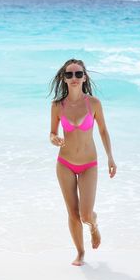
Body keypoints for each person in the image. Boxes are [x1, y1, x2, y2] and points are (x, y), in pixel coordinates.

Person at [49, 58, 116, 266]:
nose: (74, 78)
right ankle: (80, 252)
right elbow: (52, 132)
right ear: (64, 78)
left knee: (86, 214)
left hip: (89, 164)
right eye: (69, 74)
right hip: (65, 163)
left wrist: (110, 157)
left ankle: (94, 226)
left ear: (84, 77)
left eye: (78, 74)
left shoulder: (93, 103)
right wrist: (54, 139)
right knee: (72, 213)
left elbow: (103, 130)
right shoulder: (57, 106)